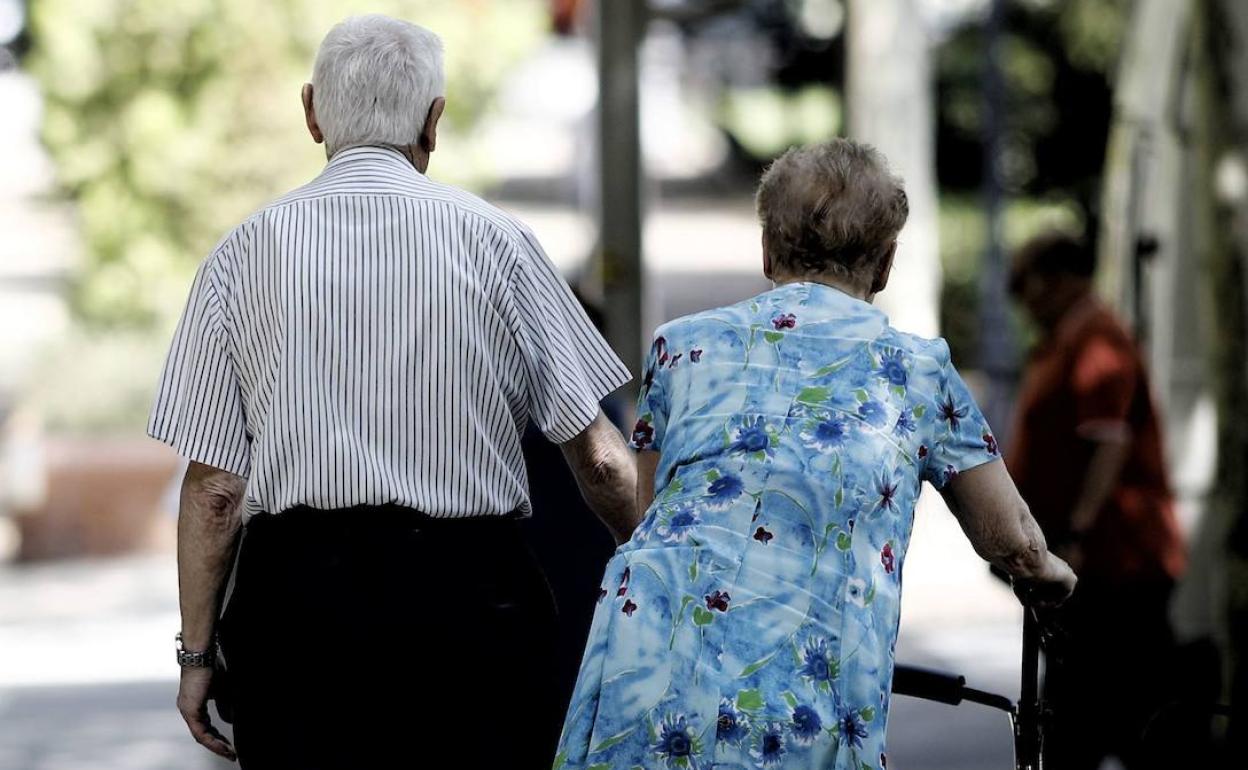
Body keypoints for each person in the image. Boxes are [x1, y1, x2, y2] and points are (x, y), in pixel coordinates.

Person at [147, 15, 638, 770]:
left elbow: (215, 490)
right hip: (475, 605)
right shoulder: (499, 243)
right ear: (433, 122)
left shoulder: (242, 254)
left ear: (311, 111)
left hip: (300, 614)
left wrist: (197, 651)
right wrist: (653, 563)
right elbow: (601, 459)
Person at [553, 140, 1076, 770]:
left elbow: (646, 509)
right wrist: (1049, 573)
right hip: (804, 684)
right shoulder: (916, 371)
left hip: (648, 662)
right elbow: (1011, 537)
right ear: (884, 265)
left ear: (767, 250)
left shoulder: (680, 349)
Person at [1007, 231, 1186, 769]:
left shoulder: (1096, 340)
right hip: (1093, 566)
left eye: (1025, 286)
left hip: (1115, 564)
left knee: (1100, 717)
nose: (1021, 301)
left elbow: (1109, 442)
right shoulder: (1070, 337)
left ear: (1058, 280)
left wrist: (1076, 535)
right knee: (1093, 713)